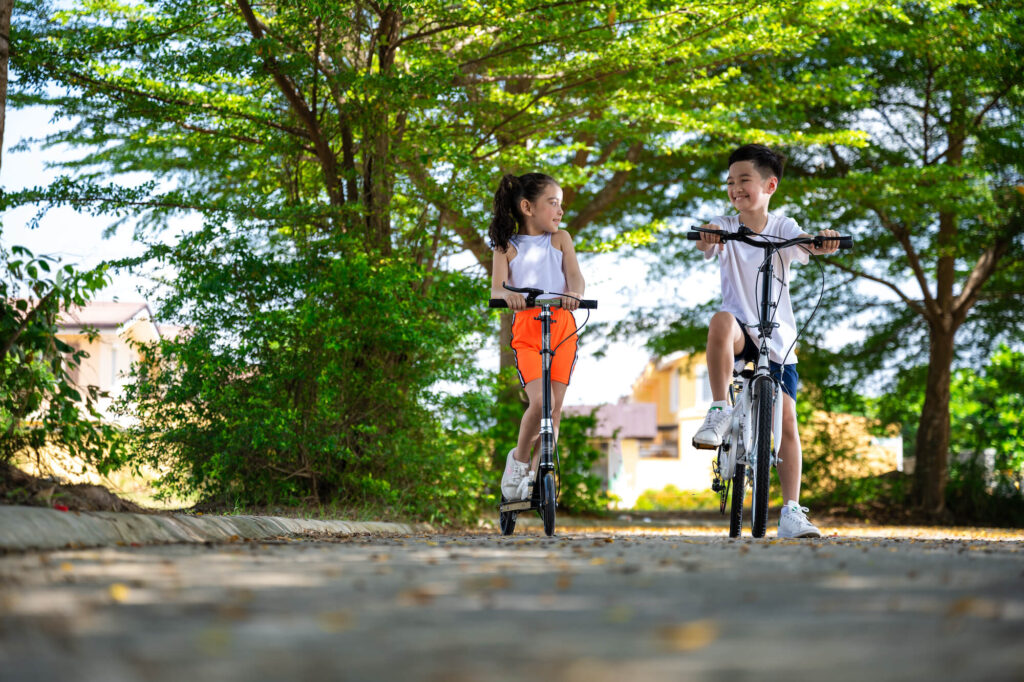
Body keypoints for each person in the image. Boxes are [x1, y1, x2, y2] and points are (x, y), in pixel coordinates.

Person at [692, 144, 838, 539]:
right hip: (740, 334)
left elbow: (806, 241)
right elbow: (707, 241)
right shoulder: (724, 224)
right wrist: (708, 237)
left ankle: (791, 511)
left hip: (778, 339)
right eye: (730, 182)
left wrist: (822, 240)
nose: (735, 188)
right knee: (720, 319)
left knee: (787, 421)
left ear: (770, 185)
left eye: (744, 181)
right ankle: (720, 408)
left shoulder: (783, 227)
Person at [489, 172, 585, 502]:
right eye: (553, 203)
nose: (560, 211)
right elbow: (497, 289)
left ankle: (535, 473)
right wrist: (508, 296)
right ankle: (517, 462)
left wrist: (573, 294)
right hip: (529, 329)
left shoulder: (561, 240)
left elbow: (576, 280)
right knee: (542, 401)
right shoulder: (506, 246)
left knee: (555, 410)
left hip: (562, 327)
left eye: (561, 204)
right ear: (528, 207)